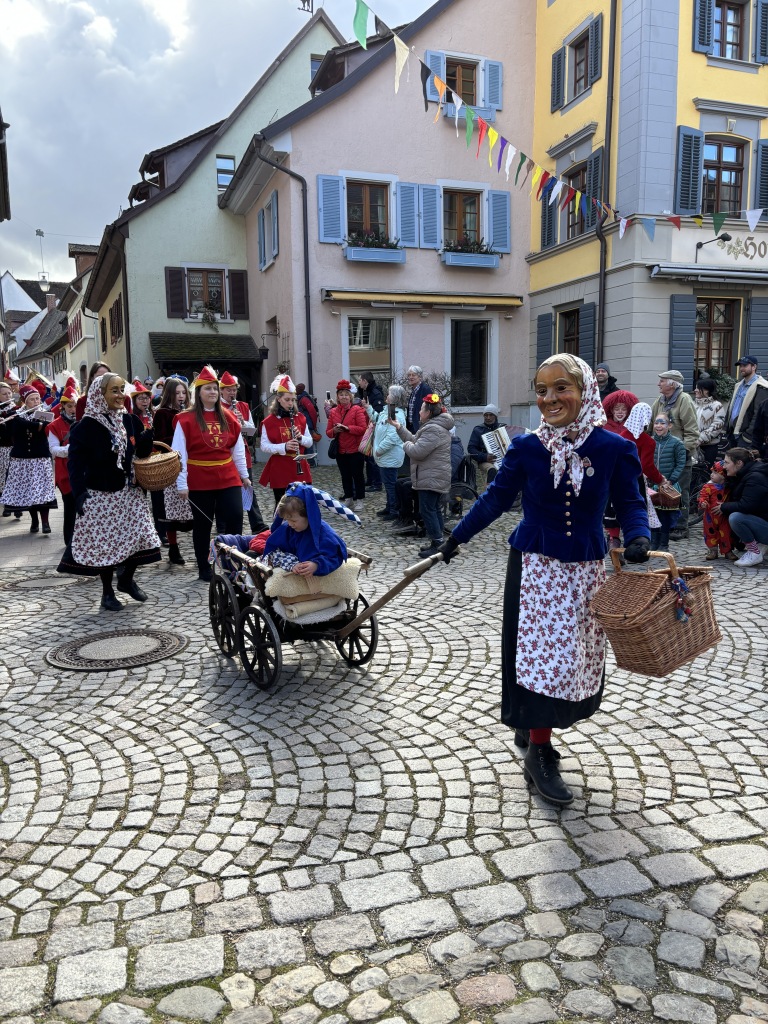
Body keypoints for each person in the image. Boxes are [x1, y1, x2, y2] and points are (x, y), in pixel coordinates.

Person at [438, 355, 650, 807]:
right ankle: (539, 750)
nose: (549, 398)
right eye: (542, 389)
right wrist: (455, 538)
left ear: (585, 391)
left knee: (571, 659)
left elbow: (632, 501)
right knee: (537, 658)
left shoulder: (614, 447)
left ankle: (532, 729)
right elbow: (495, 500)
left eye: (561, 388)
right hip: (535, 568)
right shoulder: (528, 447)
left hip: (586, 569)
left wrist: (638, 537)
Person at [57, 374, 160, 610]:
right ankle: (107, 593)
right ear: (99, 394)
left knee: (144, 535)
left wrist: (145, 440)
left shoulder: (130, 420)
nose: (120, 395)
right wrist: (79, 493)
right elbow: (74, 463)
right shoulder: (85, 427)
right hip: (100, 494)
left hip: (129, 491)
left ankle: (125, 580)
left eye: (122, 389)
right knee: (107, 546)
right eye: (114, 390)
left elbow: (139, 455)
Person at [173, 365, 249, 582]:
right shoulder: (185, 419)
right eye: (208, 389)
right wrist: (182, 483)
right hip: (199, 479)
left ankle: (233, 562)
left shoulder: (228, 417)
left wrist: (243, 475)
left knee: (235, 517)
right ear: (198, 393)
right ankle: (203, 566)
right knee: (203, 525)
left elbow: (238, 448)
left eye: (215, 388)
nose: (213, 392)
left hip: (227, 475)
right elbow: (179, 453)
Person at [393, 392, 454, 558]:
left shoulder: (433, 429)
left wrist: (404, 445)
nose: (419, 412)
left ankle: (438, 543)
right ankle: (441, 543)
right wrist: (399, 428)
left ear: (428, 412)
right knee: (433, 509)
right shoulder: (434, 427)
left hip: (431, 477)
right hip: (432, 476)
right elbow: (416, 440)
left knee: (428, 510)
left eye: (421, 409)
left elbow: (417, 451)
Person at [0, 383, 57, 533]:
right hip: (22, 459)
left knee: (43, 491)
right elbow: (10, 434)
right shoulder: (16, 415)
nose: (36, 402)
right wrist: (6, 423)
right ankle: (34, 521)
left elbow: (45, 427)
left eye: (38, 398)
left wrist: (32, 423)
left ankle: (45, 522)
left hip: (40, 458)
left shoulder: (46, 413)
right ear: (25, 401)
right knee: (30, 492)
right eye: (32, 400)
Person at [258, 483, 348, 576]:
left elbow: (334, 557)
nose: (290, 524)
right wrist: (292, 564)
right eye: (287, 520)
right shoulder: (288, 529)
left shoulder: (324, 533)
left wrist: (317, 565)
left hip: (319, 582)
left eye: (293, 520)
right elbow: (275, 549)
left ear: (308, 515)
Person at [651, 370, 699, 540]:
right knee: (660, 489)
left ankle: (680, 527)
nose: (659, 384)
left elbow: (692, 432)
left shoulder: (684, 400)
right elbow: (651, 426)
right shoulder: (660, 401)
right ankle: (663, 524)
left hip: (680, 455)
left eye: (662, 381)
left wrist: (681, 451)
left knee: (681, 492)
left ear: (672, 384)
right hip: (661, 454)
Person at [151, 376, 193, 566]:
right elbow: (159, 439)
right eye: (177, 393)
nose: (181, 396)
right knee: (172, 509)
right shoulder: (163, 414)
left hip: (192, 463)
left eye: (184, 393)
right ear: (170, 394)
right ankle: (174, 548)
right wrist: (180, 437)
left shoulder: (191, 412)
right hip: (171, 464)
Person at [220, 370, 267, 534]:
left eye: (234, 389)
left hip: (242, 452)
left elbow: (251, 431)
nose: (232, 393)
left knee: (248, 487)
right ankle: (224, 525)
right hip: (225, 454)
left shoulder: (243, 406)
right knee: (226, 491)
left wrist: (241, 421)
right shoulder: (217, 407)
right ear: (222, 391)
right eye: (228, 390)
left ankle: (257, 523)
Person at [259, 375, 312, 508]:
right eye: (287, 400)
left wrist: (300, 438)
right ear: (278, 399)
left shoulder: (300, 417)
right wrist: (284, 446)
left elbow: (310, 442)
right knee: (282, 506)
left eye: (293, 400)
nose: (290, 403)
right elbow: (264, 446)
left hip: (299, 466)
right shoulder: (269, 421)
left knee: (302, 505)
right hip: (280, 467)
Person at [717, 447, 768, 567]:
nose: (724, 466)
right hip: (763, 519)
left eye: (727, 462)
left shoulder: (755, 477)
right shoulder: (744, 474)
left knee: (736, 518)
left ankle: (754, 552)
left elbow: (747, 505)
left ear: (739, 463)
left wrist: (724, 507)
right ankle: (759, 544)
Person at [326, 379, 368, 511]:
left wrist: (347, 428)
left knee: (358, 475)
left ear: (350, 396)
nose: (344, 396)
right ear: (337, 396)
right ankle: (349, 498)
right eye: (341, 394)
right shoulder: (333, 412)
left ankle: (360, 499)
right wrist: (335, 431)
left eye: (346, 394)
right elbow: (328, 432)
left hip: (355, 449)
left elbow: (363, 428)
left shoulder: (357, 410)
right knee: (345, 475)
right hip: (341, 450)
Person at [367, 383, 406, 520]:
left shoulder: (396, 414)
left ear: (394, 397)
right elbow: (378, 420)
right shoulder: (388, 410)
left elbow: (393, 436)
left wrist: (379, 450)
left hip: (389, 455)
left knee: (390, 485)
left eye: (389, 394)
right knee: (388, 483)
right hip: (385, 456)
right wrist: (369, 409)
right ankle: (390, 506)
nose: (386, 396)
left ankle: (394, 511)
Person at [648, 412, 686, 550]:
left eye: (662, 423)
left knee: (665, 516)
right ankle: (653, 542)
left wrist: (671, 480)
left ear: (669, 425)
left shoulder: (677, 443)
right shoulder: (650, 441)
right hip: (652, 485)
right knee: (653, 514)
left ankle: (664, 543)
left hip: (668, 485)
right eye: (656, 423)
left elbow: (680, 463)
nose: (659, 426)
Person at [46, 386, 78, 545]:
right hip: (65, 471)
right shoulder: (55, 425)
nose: (73, 409)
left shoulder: (85, 421)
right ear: (63, 406)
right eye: (70, 405)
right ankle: (69, 542)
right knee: (70, 508)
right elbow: (53, 449)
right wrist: (70, 449)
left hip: (82, 470)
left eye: (75, 405)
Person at [724, 356, 768, 448]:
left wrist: (747, 434)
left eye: (745, 365)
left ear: (754, 367)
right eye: (740, 366)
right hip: (733, 432)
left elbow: (758, 414)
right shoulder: (738, 385)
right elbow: (731, 407)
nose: (741, 368)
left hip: (745, 437)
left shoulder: (761, 387)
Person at [698, 461, 734, 561]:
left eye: (715, 473)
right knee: (710, 532)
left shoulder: (727, 487)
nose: (711, 475)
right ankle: (713, 550)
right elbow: (702, 497)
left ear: (723, 476)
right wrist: (703, 503)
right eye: (712, 472)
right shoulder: (708, 487)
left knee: (726, 533)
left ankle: (728, 551)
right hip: (710, 516)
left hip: (723, 515)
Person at [468, 404, 506, 489]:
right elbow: (471, 448)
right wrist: (484, 456)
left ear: (495, 416)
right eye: (486, 415)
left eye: (491, 415)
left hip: (503, 459)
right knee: (492, 470)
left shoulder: (503, 428)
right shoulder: (478, 429)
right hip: (485, 461)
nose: (488, 417)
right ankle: (489, 493)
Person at [694, 377, 726, 466]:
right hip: (693, 446)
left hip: (709, 447)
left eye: (698, 388)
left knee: (706, 472)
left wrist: (701, 439)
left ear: (706, 391)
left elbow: (718, 425)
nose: (695, 390)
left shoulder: (717, 406)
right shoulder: (693, 404)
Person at [0, 381, 16, 516]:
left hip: (13, 447)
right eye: (4, 394)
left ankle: (14, 506)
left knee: (12, 476)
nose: (7, 396)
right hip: (1, 448)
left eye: (9, 393)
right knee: (2, 478)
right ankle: (6, 504)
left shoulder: (16, 408)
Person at [405, 366, 431, 434]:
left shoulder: (425, 390)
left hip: (420, 427)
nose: (411, 377)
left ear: (419, 377)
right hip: (411, 427)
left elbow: (429, 409)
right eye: (409, 375)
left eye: (413, 375)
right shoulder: (414, 391)